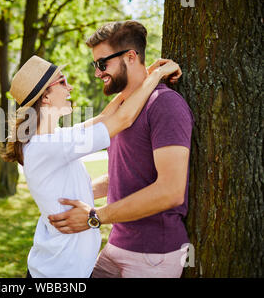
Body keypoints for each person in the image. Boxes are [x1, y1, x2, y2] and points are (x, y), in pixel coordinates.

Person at [0, 54, 182, 278]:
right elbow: (122, 119)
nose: (70, 87)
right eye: (63, 82)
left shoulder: (53, 138)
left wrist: (143, 76)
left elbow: (105, 116)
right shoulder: (46, 146)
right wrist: (156, 76)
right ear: (45, 97)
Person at [48, 21, 194, 278]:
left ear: (130, 56)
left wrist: (94, 217)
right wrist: (66, 199)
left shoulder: (165, 105)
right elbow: (127, 173)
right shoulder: (123, 111)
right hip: (117, 244)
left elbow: (171, 192)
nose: (97, 73)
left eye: (103, 64)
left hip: (153, 256)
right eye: (95, 65)